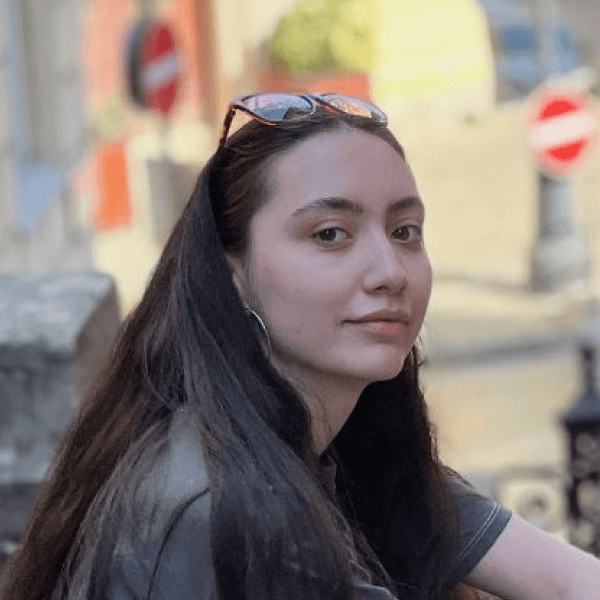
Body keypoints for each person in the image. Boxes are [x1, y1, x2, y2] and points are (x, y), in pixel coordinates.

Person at [1, 92, 599, 600]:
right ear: (233, 275)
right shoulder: (219, 511)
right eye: (330, 234)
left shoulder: (345, 451)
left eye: (404, 231)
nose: (389, 271)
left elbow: (571, 580)